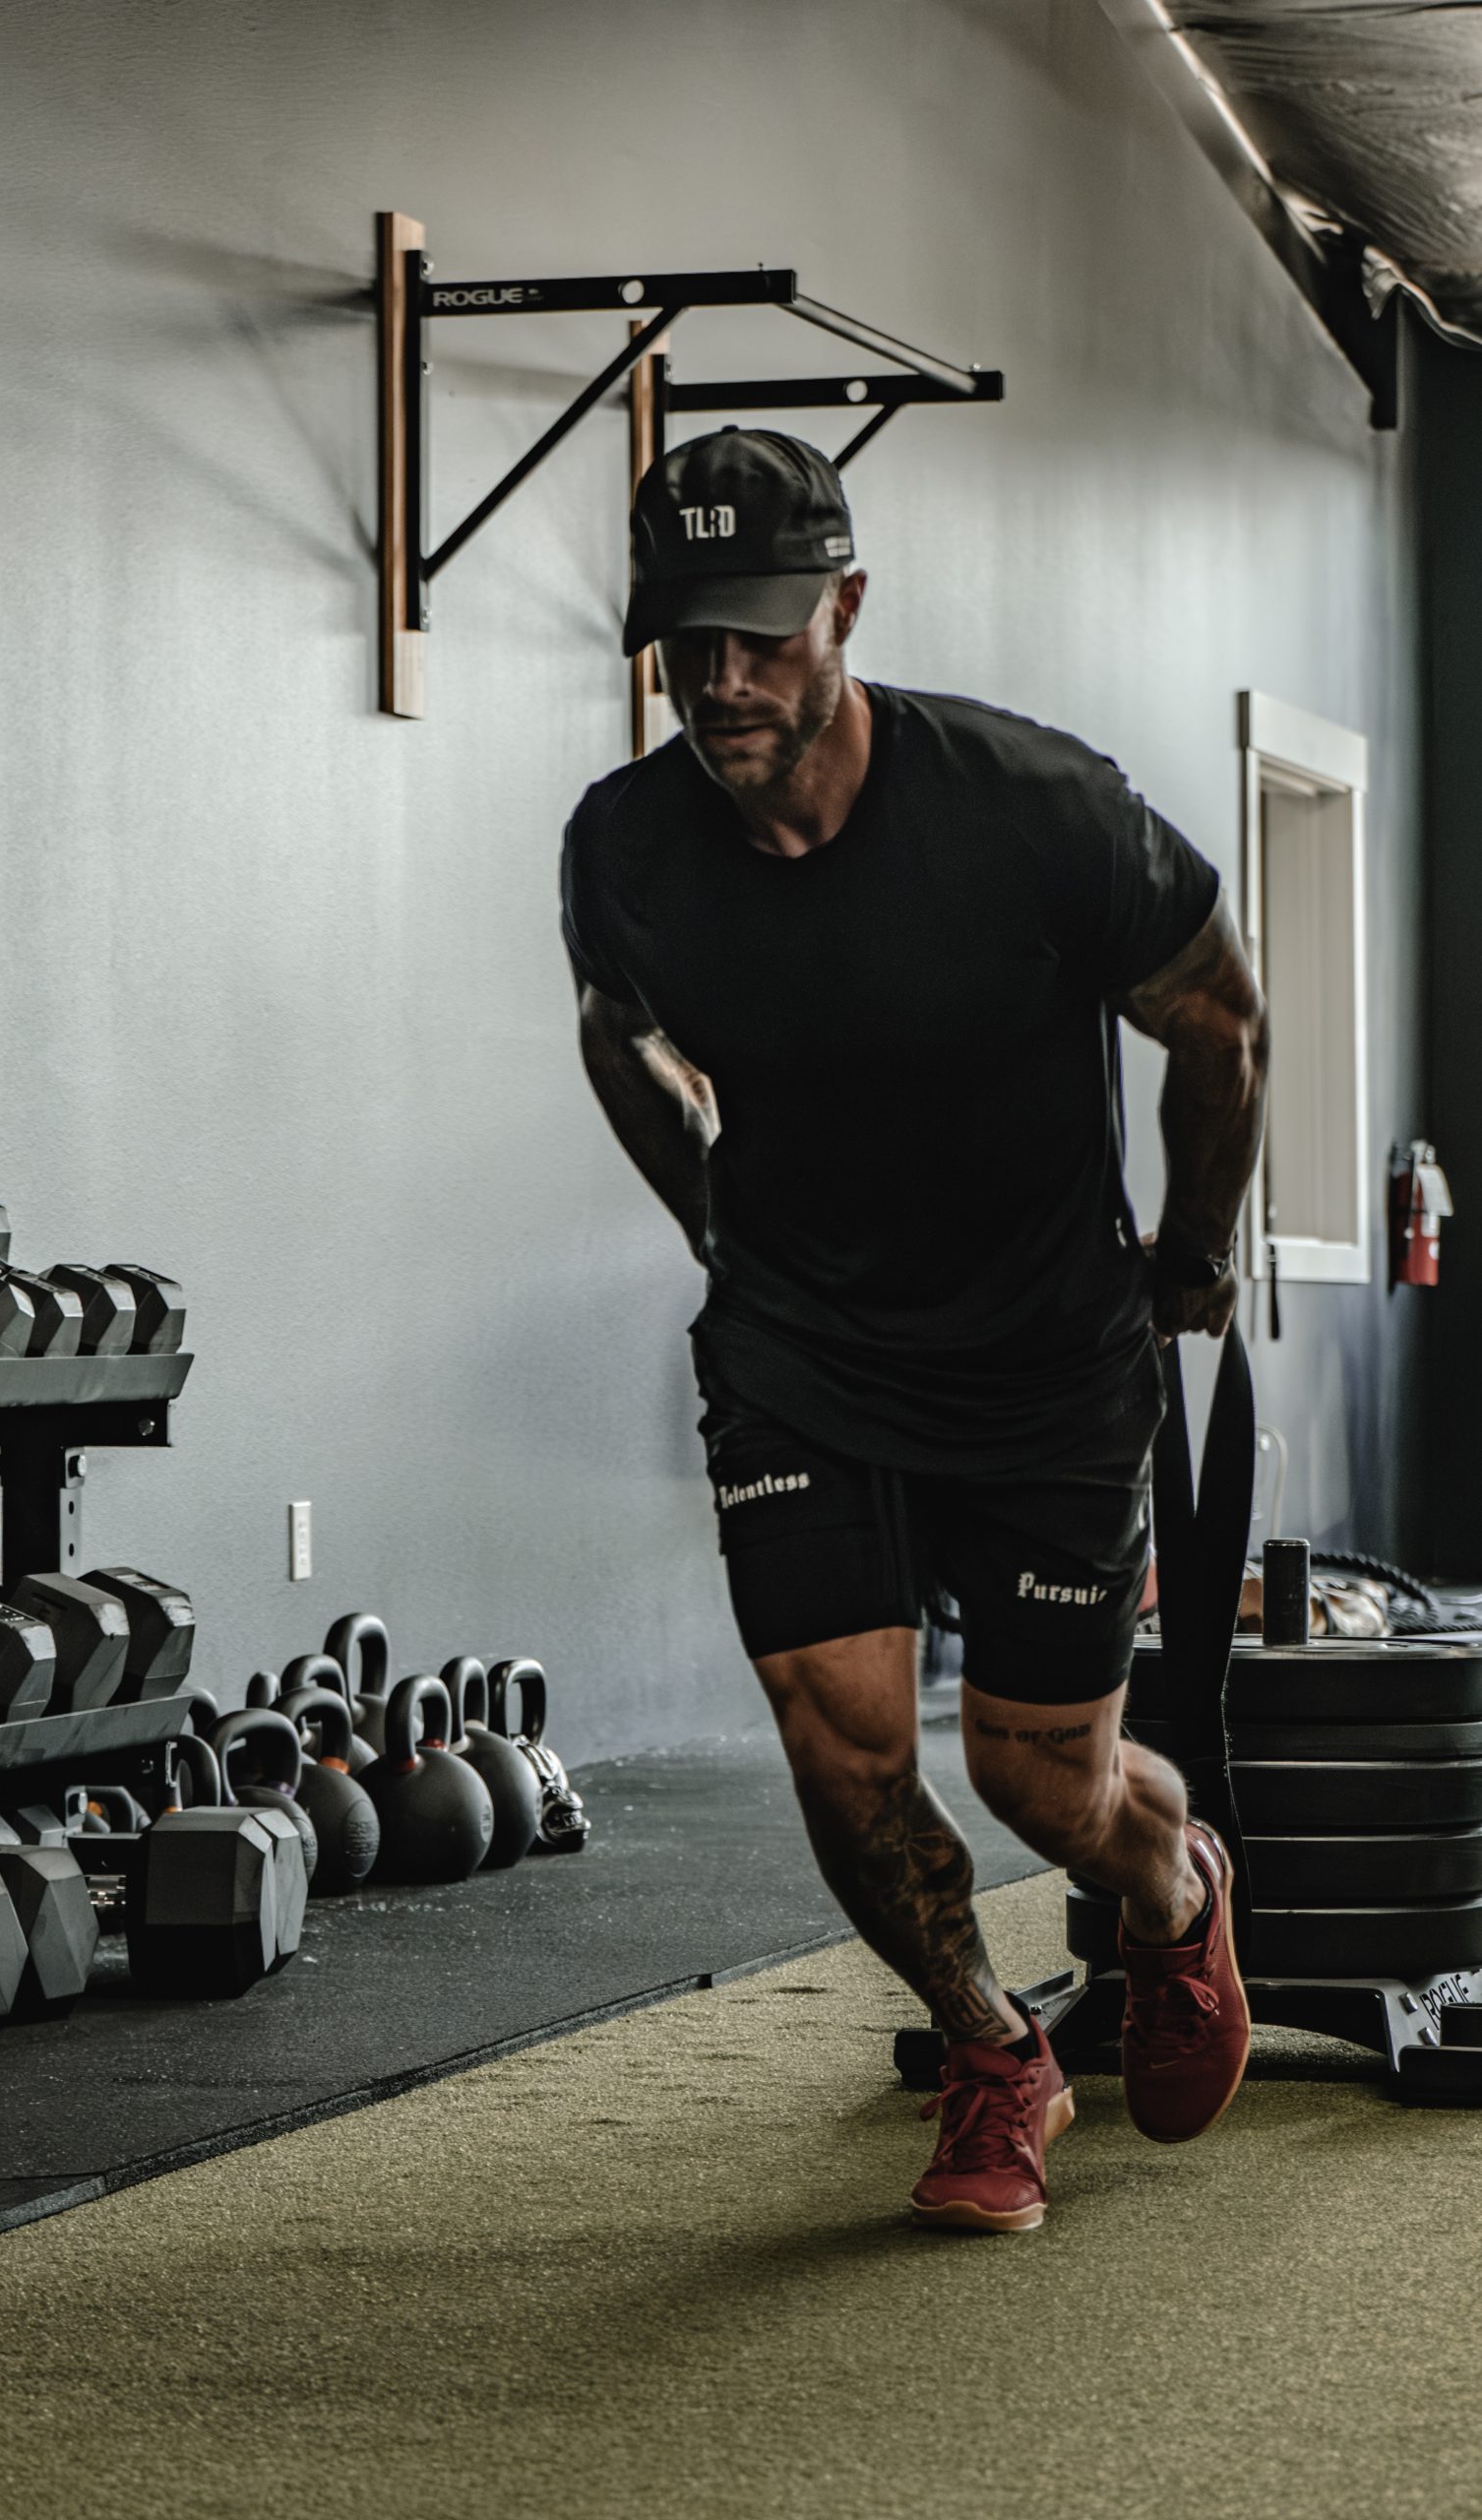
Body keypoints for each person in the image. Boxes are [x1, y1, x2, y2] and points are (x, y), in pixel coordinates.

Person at [560, 428, 1269, 2233]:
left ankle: (1173, 1890)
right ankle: (988, 2045)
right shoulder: (630, 845)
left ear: (846, 610)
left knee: (1041, 1773)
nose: (720, 681)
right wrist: (712, 1222)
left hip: (1044, 1355)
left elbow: (1220, 1021)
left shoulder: (1032, 806)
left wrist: (1190, 1249)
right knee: (844, 1736)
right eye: (682, 642)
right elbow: (614, 1027)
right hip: (803, 1348)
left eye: (762, 638)